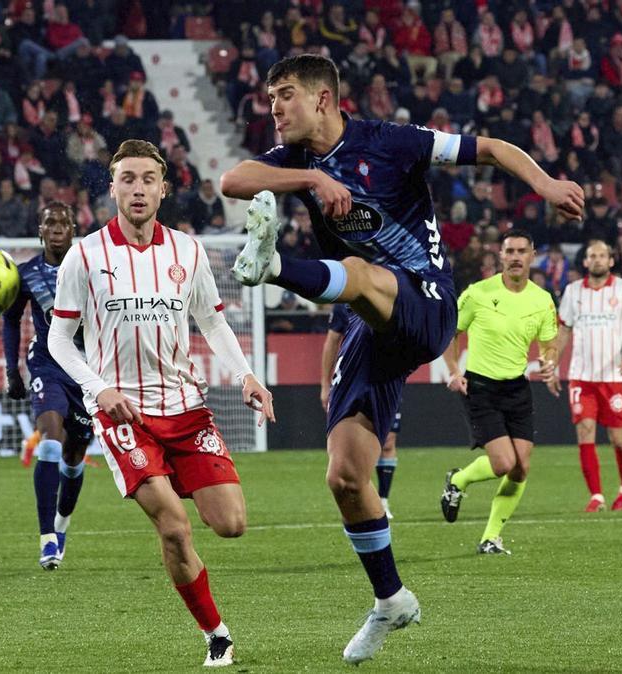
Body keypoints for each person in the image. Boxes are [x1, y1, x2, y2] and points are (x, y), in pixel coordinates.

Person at [219, 54, 582, 663]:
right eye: (271, 98)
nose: (274, 108)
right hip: (370, 321)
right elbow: (233, 181)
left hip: (427, 300)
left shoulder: (394, 142)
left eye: (285, 95)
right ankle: (391, 599)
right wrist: (311, 181)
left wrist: (543, 184)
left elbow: (489, 147)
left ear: (324, 99)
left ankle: (274, 268)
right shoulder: (296, 161)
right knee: (344, 476)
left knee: (360, 273)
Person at [47, 139, 275, 668]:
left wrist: (246, 375)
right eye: (127, 179)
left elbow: (212, 320)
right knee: (174, 527)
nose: (138, 189)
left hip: (186, 406)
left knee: (232, 524)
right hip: (122, 413)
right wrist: (97, 388)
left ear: (163, 188)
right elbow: (61, 339)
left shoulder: (188, 251)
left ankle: (169, 480)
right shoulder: (84, 255)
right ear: (112, 188)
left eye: (148, 179)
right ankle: (216, 632)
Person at [439, 230, 559, 554]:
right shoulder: (477, 294)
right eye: (510, 251)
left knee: (522, 467)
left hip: (517, 387)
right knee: (504, 463)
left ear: (533, 254)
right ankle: (458, 481)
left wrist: (549, 362)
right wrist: (453, 371)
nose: (516, 256)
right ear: (501, 256)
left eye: (523, 250)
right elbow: (451, 332)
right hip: (481, 386)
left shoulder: (542, 300)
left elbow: (549, 343)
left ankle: (490, 537)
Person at [2, 202, 95, 570]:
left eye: (63, 222)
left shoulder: (91, 268)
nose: (56, 228)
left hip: (88, 371)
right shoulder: (25, 274)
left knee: (74, 459)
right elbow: (11, 322)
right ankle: (46, 539)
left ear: (73, 229)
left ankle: (61, 525)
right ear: (40, 230)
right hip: (46, 364)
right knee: (50, 441)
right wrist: (13, 371)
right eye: (49, 222)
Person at [552, 241, 622, 512]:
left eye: (602, 255)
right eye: (592, 256)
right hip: (581, 376)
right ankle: (596, 496)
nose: (596, 260)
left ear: (610, 260)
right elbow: (564, 332)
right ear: (585, 262)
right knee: (585, 432)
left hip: (614, 376)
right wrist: (553, 366)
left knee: (619, 439)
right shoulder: (572, 292)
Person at [321, 304, 401, 519]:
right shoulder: (345, 299)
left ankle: (383, 500)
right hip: (351, 381)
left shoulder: (392, 293)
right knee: (349, 453)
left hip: (386, 380)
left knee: (389, 441)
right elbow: (332, 341)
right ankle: (361, 497)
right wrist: (324, 385)